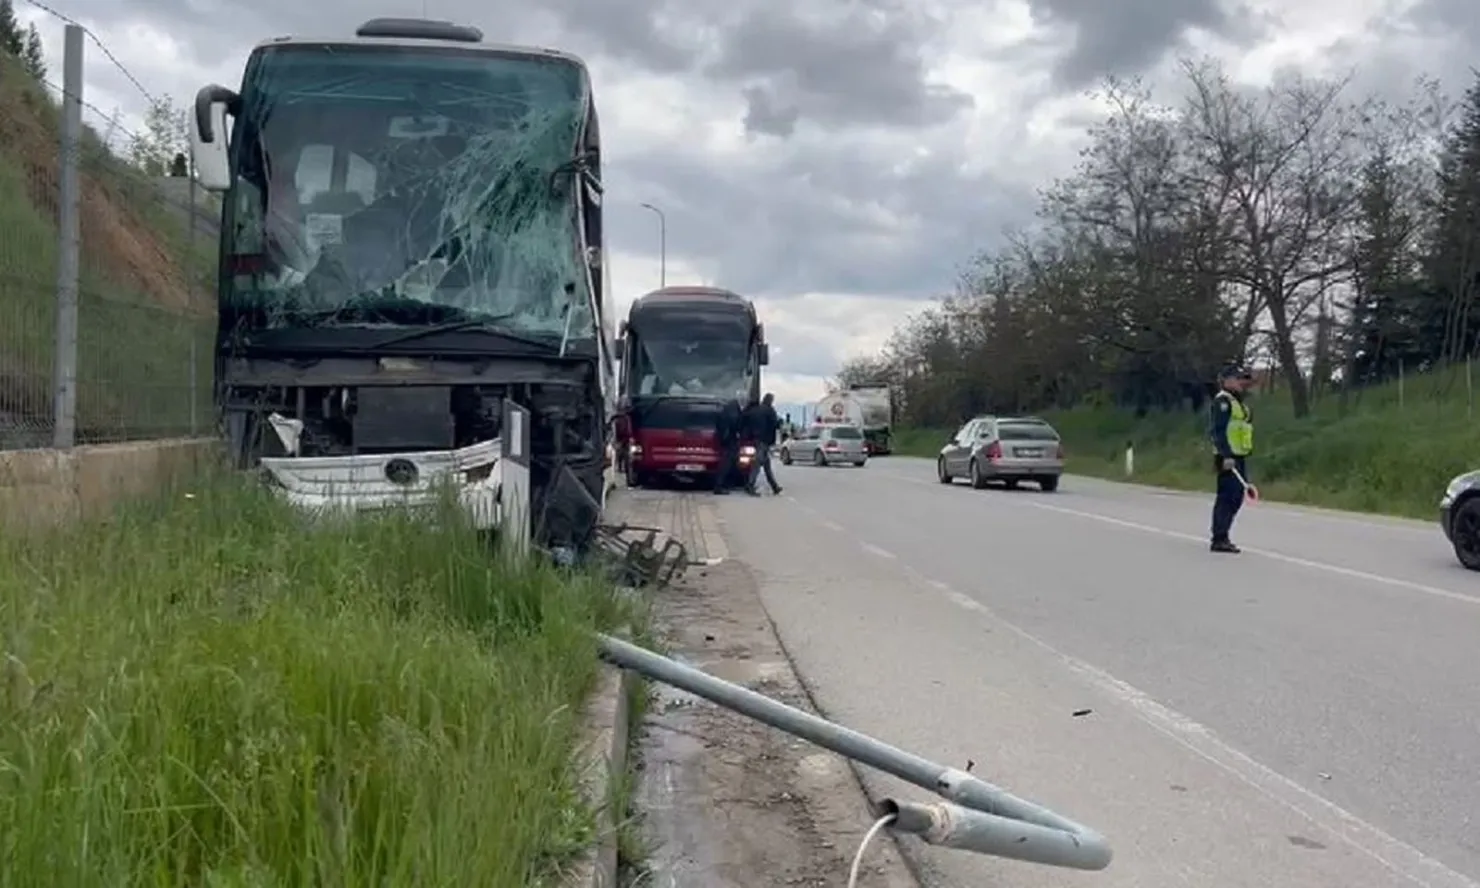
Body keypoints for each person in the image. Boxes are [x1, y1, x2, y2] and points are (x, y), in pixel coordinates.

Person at [1209, 364, 1255, 553]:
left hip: (1238, 455)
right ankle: (1219, 538)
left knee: (1236, 497)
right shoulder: (1223, 402)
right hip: (1227, 457)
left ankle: (1223, 534)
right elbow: (1217, 431)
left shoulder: (1237, 402)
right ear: (1227, 381)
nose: (1241, 382)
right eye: (1237, 379)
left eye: (1242, 379)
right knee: (1228, 497)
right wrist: (1225, 455)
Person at [744, 392, 783, 495]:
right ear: (770, 400)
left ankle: (775, 486)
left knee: (766, 465)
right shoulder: (770, 411)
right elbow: (775, 424)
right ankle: (750, 485)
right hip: (765, 441)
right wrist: (780, 422)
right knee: (757, 463)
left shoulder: (756, 409)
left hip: (756, 439)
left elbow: (747, 418)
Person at [713, 391, 746, 495]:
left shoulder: (729, 407)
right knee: (726, 463)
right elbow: (735, 422)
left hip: (726, 438)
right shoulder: (734, 409)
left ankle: (725, 484)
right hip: (730, 439)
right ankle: (719, 486)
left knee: (730, 462)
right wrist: (737, 432)